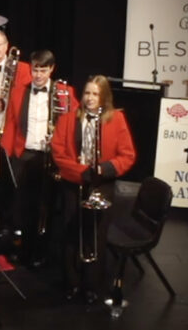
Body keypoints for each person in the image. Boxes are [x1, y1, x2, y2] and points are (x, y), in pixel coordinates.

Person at [51, 75, 135, 304]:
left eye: (95, 94)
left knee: (95, 236)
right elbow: (58, 152)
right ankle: (72, 282)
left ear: (104, 97)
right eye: (87, 93)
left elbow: (128, 156)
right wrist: (81, 172)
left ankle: (92, 286)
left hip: (102, 184)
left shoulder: (116, 119)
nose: (90, 98)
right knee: (71, 234)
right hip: (74, 183)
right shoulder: (68, 119)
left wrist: (104, 169)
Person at [0, 50, 78, 267]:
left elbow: (74, 125)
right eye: (35, 69)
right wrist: (7, 154)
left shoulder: (65, 92)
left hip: (51, 157)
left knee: (49, 206)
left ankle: (44, 251)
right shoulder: (18, 91)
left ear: (51, 69)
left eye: (43, 70)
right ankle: (25, 249)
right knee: (25, 206)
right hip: (25, 155)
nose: (38, 75)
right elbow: (12, 124)